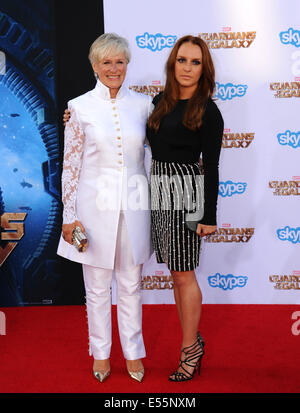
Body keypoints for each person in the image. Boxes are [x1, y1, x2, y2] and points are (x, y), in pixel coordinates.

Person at [57, 33, 153, 383]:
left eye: (120, 61)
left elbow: (161, 147)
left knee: (131, 285)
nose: (114, 68)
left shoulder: (145, 106)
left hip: (135, 206)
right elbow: (70, 165)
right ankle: (100, 354)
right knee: (96, 288)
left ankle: (133, 353)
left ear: (127, 64)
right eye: (106, 62)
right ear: (95, 66)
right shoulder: (79, 106)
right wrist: (70, 216)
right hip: (93, 208)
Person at [146, 35, 224, 382]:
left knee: (184, 273)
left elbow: (213, 166)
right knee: (175, 275)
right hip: (159, 189)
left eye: (195, 62)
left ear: (203, 68)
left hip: (187, 193)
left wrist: (209, 215)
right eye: (182, 60)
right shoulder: (158, 101)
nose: (187, 68)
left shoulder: (209, 110)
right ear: (172, 64)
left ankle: (190, 348)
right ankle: (192, 343)